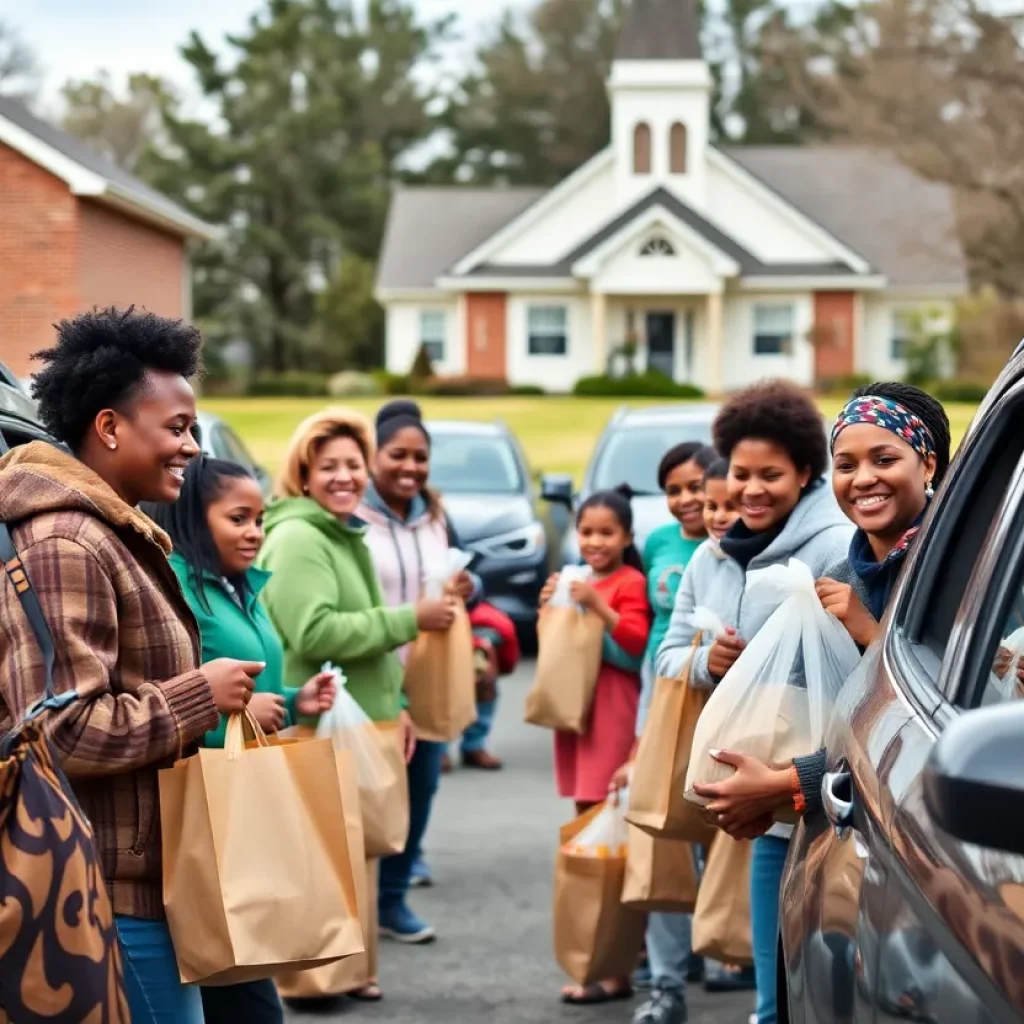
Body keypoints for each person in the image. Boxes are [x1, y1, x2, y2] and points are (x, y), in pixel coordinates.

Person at [0, 307, 261, 1024]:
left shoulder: (114, 533)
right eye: (175, 429)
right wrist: (199, 695)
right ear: (110, 428)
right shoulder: (66, 544)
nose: (190, 448)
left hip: (149, 882)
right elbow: (60, 733)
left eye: (192, 430)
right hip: (99, 893)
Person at [656, 380, 854, 1024]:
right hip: (760, 793)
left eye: (772, 474)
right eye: (741, 474)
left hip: (825, 787)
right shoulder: (711, 557)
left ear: (804, 472)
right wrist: (704, 664)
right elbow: (669, 653)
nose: (752, 489)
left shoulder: (835, 547)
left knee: (828, 978)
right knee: (773, 989)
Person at [691, 382, 951, 836]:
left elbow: (929, 721)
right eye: (846, 465)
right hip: (838, 825)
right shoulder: (838, 574)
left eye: (884, 459)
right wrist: (758, 791)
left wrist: (873, 635)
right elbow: (803, 708)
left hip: (920, 834)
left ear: (928, 464)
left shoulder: (956, 569)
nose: (863, 478)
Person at [257, 406, 455, 1001]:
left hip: (362, 718)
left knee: (356, 850)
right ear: (304, 473)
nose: (345, 477)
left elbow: (360, 647)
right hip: (320, 720)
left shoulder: (340, 531)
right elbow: (314, 632)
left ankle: (350, 971)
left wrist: (401, 707)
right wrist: (407, 619)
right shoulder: (297, 536)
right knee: (325, 852)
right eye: (329, 467)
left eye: (353, 465)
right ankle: (315, 979)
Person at [144, 455, 339, 1024]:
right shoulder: (177, 585)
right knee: (239, 990)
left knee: (246, 980)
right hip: (204, 813)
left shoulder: (235, 586)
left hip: (250, 804)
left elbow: (251, 682)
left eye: (260, 518)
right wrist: (230, 707)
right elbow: (160, 698)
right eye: (239, 518)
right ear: (194, 521)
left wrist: (296, 698)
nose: (255, 532)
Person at [357, 399, 483, 938]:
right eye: (397, 455)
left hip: (428, 673)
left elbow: (463, 576)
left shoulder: (435, 513)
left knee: (421, 785)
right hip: (371, 670)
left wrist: (468, 590)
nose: (410, 467)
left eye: (421, 457)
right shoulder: (351, 515)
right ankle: (355, 908)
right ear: (372, 457)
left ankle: (393, 898)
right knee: (369, 795)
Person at [607, 444, 715, 1024]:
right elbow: (644, 629)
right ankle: (668, 982)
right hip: (665, 691)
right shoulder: (656, 544)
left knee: (725, 835)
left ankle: (727, 950)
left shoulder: (739, 543)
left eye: (696, 486)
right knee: (664, 834)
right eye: (674, 489)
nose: (687, 500)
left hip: (721, 700)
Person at [541, 486, 651, 1006]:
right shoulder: (575, 580)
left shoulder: (629, 582)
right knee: (590, 829)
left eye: (607, 532)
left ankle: (616, 963)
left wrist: (596, 608)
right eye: (586, 532)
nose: (595, 542)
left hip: (612, 713)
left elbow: (633, 650)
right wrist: (554, 609)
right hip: (577, 718)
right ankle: (601, 953)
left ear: (627, 537)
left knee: (611, 836)